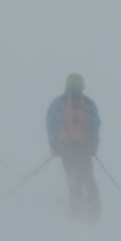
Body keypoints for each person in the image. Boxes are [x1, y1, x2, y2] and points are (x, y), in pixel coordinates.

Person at [46, 73, 102, 220]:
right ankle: (95, 211)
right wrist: (93, 145)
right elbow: (96, 124)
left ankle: (76, 211)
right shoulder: (89, 104)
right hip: (84, 148)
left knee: (72, 179)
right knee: (88, 177)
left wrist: (54, 145)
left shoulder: (57, 104)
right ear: (82, 85)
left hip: (66, 149)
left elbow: (51, 124)